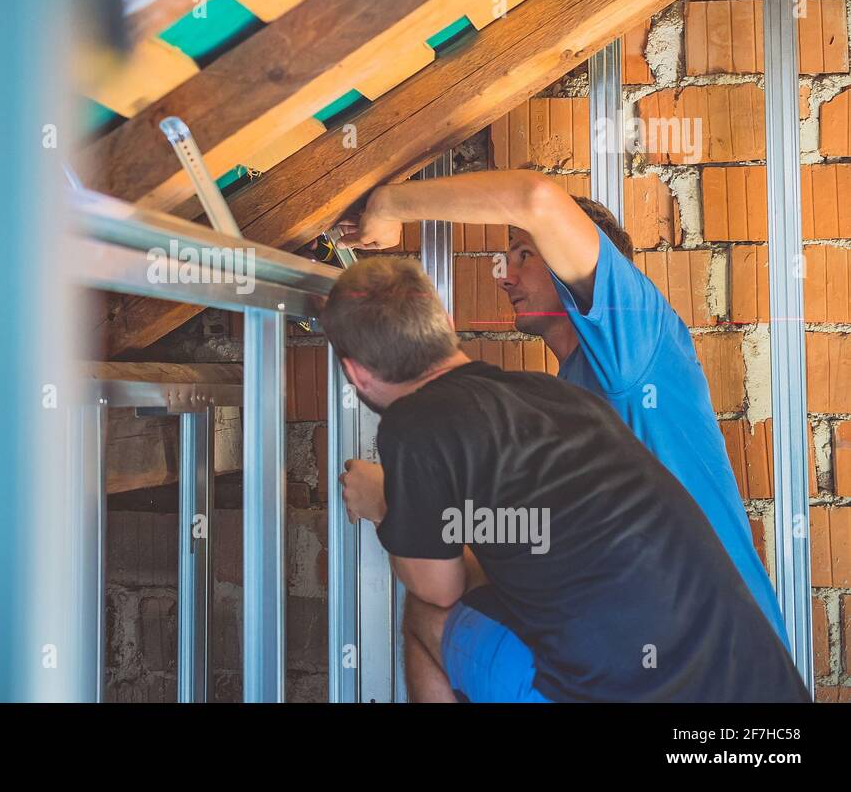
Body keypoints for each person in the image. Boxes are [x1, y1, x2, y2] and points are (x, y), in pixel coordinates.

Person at [337, 169, 790, 697]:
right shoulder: (567, 392)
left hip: (697, 665)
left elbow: (537, 199)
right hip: (666, 661)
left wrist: (389, 205)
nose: (506, 275)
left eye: (524, 254)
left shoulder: (635, 342)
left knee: (433, 613)